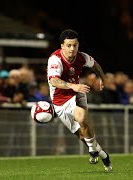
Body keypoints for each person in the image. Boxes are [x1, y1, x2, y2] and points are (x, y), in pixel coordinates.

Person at [47, 29, 112, 172]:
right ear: (62, 46)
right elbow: (54, 81)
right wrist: (73, 86)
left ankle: (92, 150)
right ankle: (101, 153)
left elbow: (95, 64)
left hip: (77, 93)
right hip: (59, 101)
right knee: (82, 135)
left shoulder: (82, 57)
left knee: (82, 118)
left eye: (75, 45)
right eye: (69, 45)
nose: (72, 49)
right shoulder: (55, 59)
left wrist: (102, 78)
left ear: (78, 45)